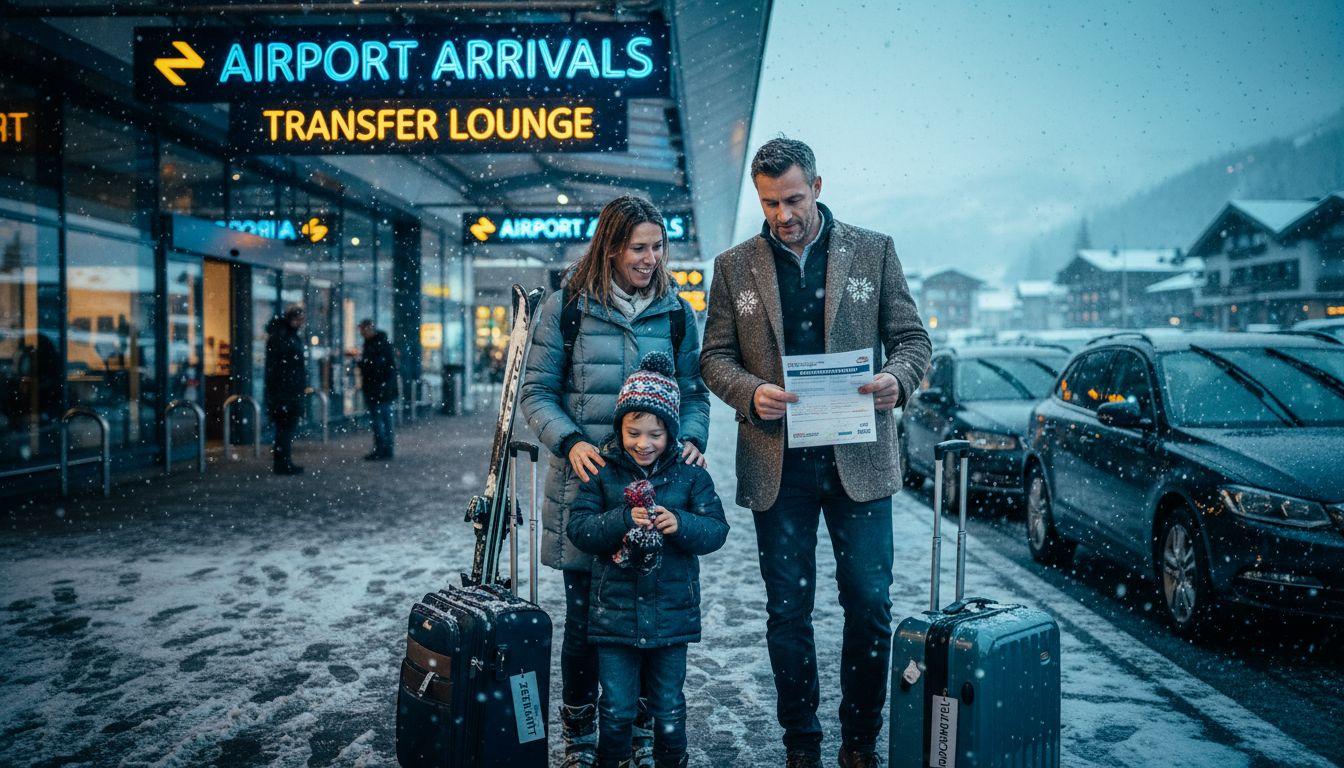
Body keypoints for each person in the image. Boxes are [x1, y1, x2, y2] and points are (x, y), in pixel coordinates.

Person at [699, 138, 932, 768]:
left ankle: (859, 740)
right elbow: (713, 358)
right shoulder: (734, 266)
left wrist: (898, 380)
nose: (782, 215)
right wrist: (752, 394)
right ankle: (801, 744)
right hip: (781, 469)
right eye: (770, 202)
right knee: (787, 610)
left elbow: (913, 341)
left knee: (869, 603)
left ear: (819, 187)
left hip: (859, 463)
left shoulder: (872, 250)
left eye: (793, 199)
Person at [519, 195, 710, 768]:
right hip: (590, 489)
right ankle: (580, 731)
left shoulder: (677, 313)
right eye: (639, 247)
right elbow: (535, 392)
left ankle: (642, 727)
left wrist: (694, 436)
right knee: (585, 623)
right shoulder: (567, 308)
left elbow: (694, 393)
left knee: (651, 616)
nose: (651, 259)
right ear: (611, 246)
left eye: (657, 247)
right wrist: (570, 440)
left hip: (657, 490)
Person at [566, 352, 728, 768]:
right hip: (615, 619)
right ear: (620, 428)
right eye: (634, 432)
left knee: (669, 707)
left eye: (655, 434)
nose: (643, 443)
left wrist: (681, 523)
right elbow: (580, 530)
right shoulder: (603, 472)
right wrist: (622, 519)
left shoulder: (690, 475)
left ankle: (672, 760)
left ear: (671, 433)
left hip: (671, 617)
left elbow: (716, 530)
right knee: (616, 709)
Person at [264, 305, 308, 475]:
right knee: (285, 429)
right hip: (285, 392)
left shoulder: (285, 336)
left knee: (285, 429)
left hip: (288, 391)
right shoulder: (282, 337)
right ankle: (282, 463)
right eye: (299, 319)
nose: (301, 323)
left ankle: (284, 462)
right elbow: (279, 368)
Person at [357, 319, 398, 460]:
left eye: (363, 330)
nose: (362, 333)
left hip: (379, 389)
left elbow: (379, 367)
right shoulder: (380, 343)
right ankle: (385, 448)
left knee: (379, 420)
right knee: (384, 420)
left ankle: (382, 449)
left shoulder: (377, 345)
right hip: (381, 388)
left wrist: (363, 364)